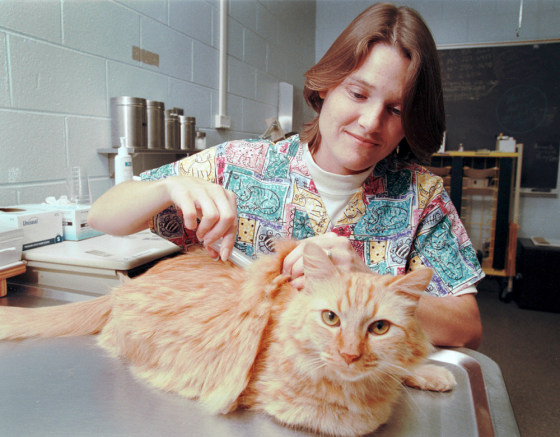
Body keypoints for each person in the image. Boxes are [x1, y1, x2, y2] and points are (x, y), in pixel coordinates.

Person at [88, 3, 483, 349]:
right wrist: (168, 186)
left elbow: (467, 328)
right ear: (328, 85)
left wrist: (366, 279)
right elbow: (103, 216)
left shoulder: (420, 195)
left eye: (395, 110)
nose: (369, 123)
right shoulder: (241, 165)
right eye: (358, 94)